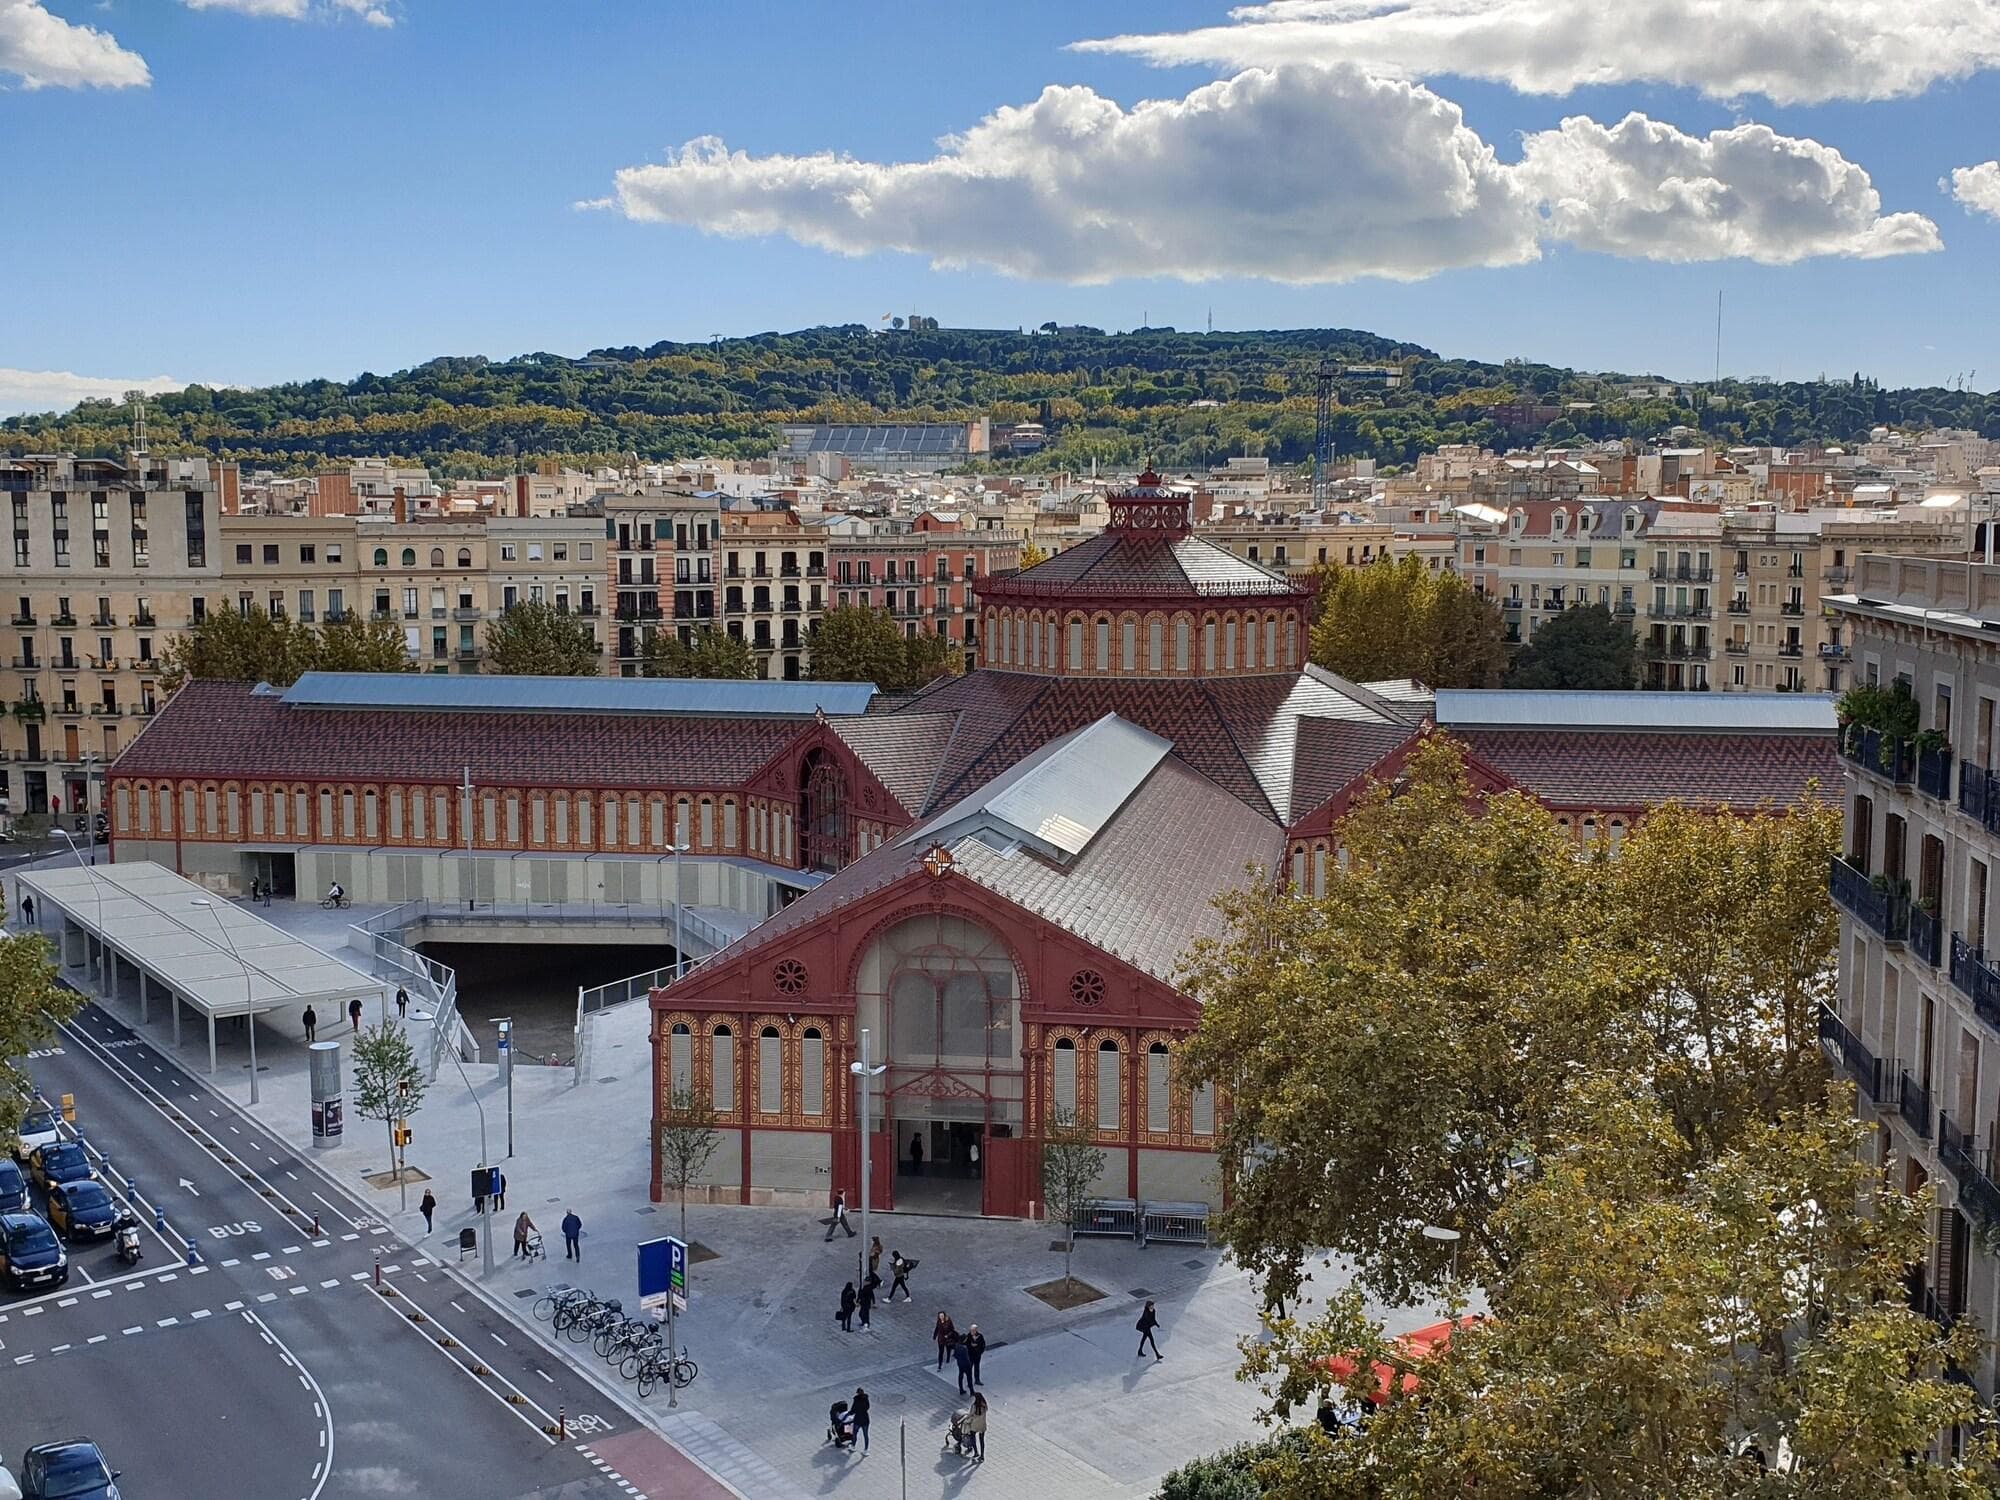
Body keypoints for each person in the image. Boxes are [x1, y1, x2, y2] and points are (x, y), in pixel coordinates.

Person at [963, 1393, 987, 1461]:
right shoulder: (984, 1406)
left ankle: (976, 1452)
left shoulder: (974, 1406)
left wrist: (966, 1420)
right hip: (982, 1425)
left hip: (974, 1425)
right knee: (982, 1440)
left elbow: (971, 1415)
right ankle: (982, 1455)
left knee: (973, 1437)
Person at [953, 1331, 976, 1395]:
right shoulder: (964, 1348)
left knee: (960, 1375)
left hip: (960, 1364)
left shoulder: (957, 1345)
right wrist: (970, 1364)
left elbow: (955, 1355)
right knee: (969, 1377)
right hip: (966, 1365)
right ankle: (971, 1391)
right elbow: (967, 1358)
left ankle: (961, 1389)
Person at [850, 1386, 872, 1456]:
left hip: (858, 1419)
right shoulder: (866, 1399)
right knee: (865, 1435)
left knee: (855, 1433)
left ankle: (853, 1446)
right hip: (865, 1419)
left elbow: (853, 1409)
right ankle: (865, 1450)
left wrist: (850, 1413)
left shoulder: (856, 1400)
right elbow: (868, 1407)